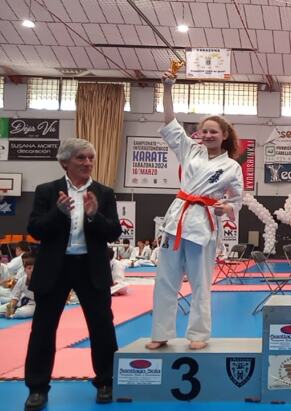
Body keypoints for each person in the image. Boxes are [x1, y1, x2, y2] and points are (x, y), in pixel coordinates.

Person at [146, 69, 243, 351]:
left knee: (201, 283)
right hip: (177, 219)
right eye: (205, 131)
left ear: (224, 136)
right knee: (165, 280)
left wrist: (227, 207)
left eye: (214, 131)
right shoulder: (190, 150)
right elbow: (170, 122)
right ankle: (160, 333)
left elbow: (237, 200)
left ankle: (198, 334)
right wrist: (167, 88)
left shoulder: (231, 166)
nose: (208, 135)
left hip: (204, 224)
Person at [25, 138, 122, 410]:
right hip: (54, 268)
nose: (87, 163)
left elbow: (114, 232)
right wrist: (58, 214)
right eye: (81, 158)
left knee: (102, 327)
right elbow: (35, 230)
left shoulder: (104, 193)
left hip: (91, 267)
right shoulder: (47, 191)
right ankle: (37, 388)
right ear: (64, 162)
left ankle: (106, 382)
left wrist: (93, 216)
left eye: (90, 158)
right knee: (43, 328)